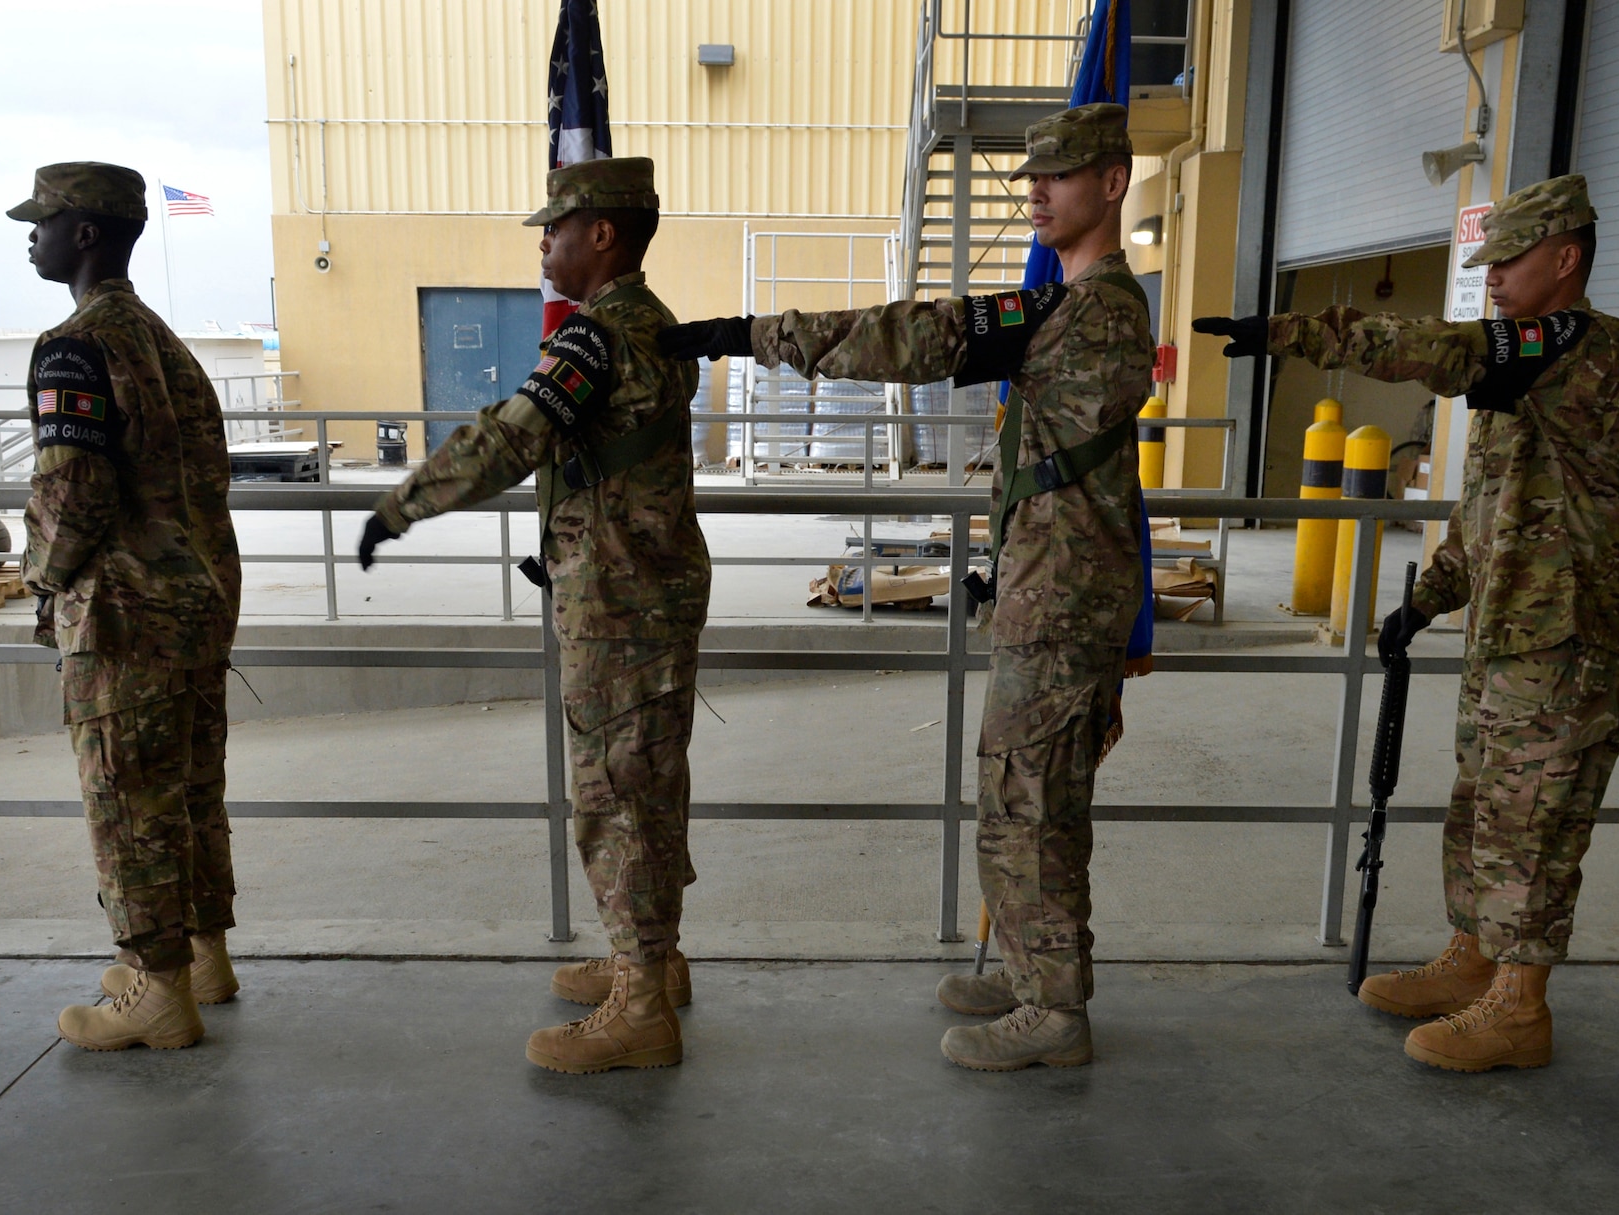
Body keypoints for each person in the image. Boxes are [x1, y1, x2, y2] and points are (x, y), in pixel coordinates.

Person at [661, 103, 1152, 1071]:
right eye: (1030, 175)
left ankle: (1054, 1009)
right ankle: (1036, 969)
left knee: (1032, 802)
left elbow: (916, 336)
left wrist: (754, 335)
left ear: (1112, 182)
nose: (1035, 191)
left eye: (1059, 174)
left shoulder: (1086, 311)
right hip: (1052, 593)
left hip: (1063, 605)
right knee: (1028, 792)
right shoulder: (1073, 307)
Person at [1196, 174, 1619, 1072]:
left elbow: (1436, 348)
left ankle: (1521, 1005)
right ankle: (1473, 961)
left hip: (1564, 644)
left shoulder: (1579, 345)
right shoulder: (1523, 372)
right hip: (1509, 635)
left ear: (1566, 258)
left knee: (1536, 819)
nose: (1493, 276)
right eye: (1489, 261)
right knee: (1483, 807)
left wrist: (1297, 333)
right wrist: (1427, 599)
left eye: (1510, 260)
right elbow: (1488, 512)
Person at [358, 157, 708, 1075]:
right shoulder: (652, 322)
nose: (544, 244)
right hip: (648, 589)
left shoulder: (597, 336)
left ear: (603, 233)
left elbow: (511, 437)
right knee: (649, 783)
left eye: (555, 227)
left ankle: (640, 1008)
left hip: (619, 602)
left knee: (616, 796)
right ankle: (654, 964)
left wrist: (402, 504)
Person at [11, 162, 244, 1050]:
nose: (30, 236)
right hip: (195, 607)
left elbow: (72, 493)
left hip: (121, 617)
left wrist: (40, 577)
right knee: (189, 790)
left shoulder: (76, 345)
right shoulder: (165, 341)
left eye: (42, 221)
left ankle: (158, 990)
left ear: (84, 233)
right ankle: (202, 957)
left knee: (129, 803)